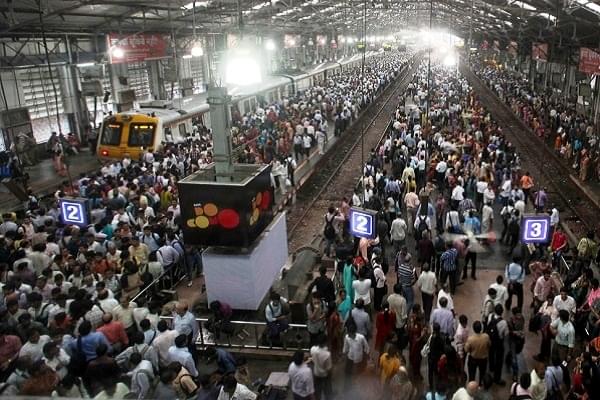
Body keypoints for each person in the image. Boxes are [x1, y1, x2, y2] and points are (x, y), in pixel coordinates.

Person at [342, 319, 369, 391]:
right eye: (349, 334)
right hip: (350, 357)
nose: (349, 335)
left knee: (358, 373)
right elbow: (345, 347)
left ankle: (357, 387)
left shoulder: (361, 337)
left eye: (350, 334)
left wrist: (366, 356)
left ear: (354, 332)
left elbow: (366, 347)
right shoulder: (347, 337)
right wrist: (344, 354)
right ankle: (347, 388)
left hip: (359, 358)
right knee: (348, 373)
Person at [486, 304, 508, 386]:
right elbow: (505, 334)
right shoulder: (504, 323)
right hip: (498, 343)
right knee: (499, 360)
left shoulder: (490, 316)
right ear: (502, 312)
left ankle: (491, 367)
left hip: (490, 340)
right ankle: (497, 378)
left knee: (491, 353)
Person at [310, 334, 332, 400]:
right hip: (324, 375)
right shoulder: (327, 354)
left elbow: (313, 359)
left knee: (317, 391)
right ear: (325, 342)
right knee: (327, 391)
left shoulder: (313, 349)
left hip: (316, 373)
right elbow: (328, 368)